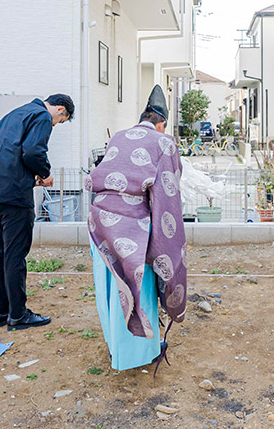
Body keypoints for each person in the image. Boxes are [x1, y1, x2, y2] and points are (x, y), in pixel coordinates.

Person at [86, 85, 187, 371]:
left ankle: (114, 347)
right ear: (162, 123)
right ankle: (136, 354)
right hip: (130, 227)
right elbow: (166, 195)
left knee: (110, 287)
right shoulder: (163, 142)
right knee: (137, 289)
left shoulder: (118, 136)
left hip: (98, 220)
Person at [0, 93, 74, 331]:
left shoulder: (14, 115)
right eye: (60, 121)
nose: (55, 125)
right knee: (15, 254)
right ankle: (18, 315)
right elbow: (32, 151)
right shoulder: (41, 115)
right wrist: (45, 173)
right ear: (60, 110)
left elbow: (2, 148)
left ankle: (1, 312)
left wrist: (29, 178)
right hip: (14, 197)